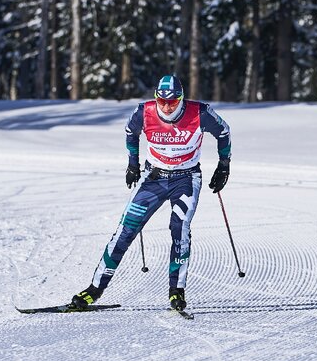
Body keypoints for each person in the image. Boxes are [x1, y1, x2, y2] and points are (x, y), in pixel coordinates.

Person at [71, 74, 231, 313]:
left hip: (186, 178)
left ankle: (176, 291)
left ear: (181, 98)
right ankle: (94, 290)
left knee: (180, 228)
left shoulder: (200, 113)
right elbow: (130, 132)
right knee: (126, 229)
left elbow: (224, 132)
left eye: (173, 101)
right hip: (153, 177)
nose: (166, 106)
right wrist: (132, 164)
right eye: (161, 100)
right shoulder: (144, 112)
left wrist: (223, 165)